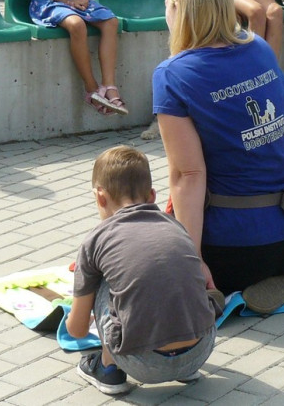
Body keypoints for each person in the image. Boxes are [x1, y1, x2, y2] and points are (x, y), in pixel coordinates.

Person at [153, 0, 284, 304]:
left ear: (178, 10)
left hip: (233, 250)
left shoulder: (172, 74)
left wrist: (192, 263)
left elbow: (187, 176)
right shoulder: (259, 46)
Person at [66, 146, 221, 395]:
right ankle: (184, 368)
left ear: (100, 197)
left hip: (142, 363)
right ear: (151, 196)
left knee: (104, 279)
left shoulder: (96, 240)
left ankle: (108, 369)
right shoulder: (176, 227)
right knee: (165, 273)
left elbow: (77, 330)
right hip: (200, 351)